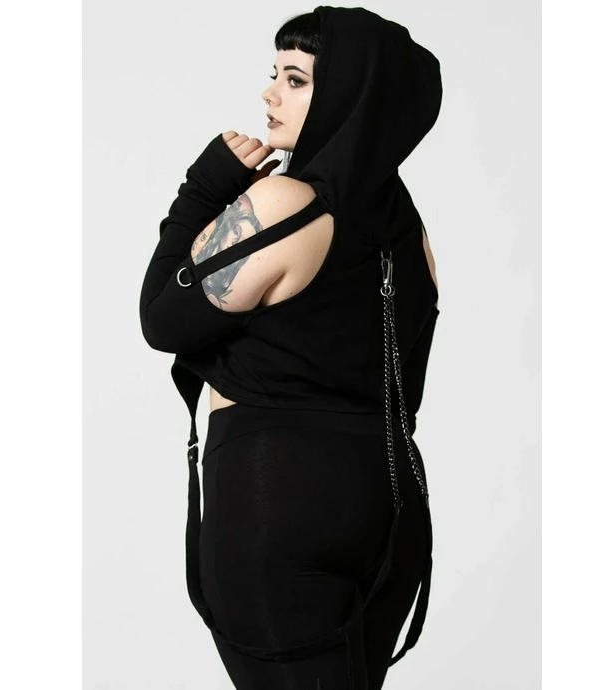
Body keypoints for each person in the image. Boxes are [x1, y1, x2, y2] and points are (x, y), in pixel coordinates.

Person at [139, 6, 442, 689]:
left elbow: (162, 319)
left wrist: (204, 188)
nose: (269, 93)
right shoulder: (410, 231)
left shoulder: (283, 203)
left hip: (276, 500)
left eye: (296, 79)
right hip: (388, 506)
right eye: (274, 74)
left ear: (347, 97)